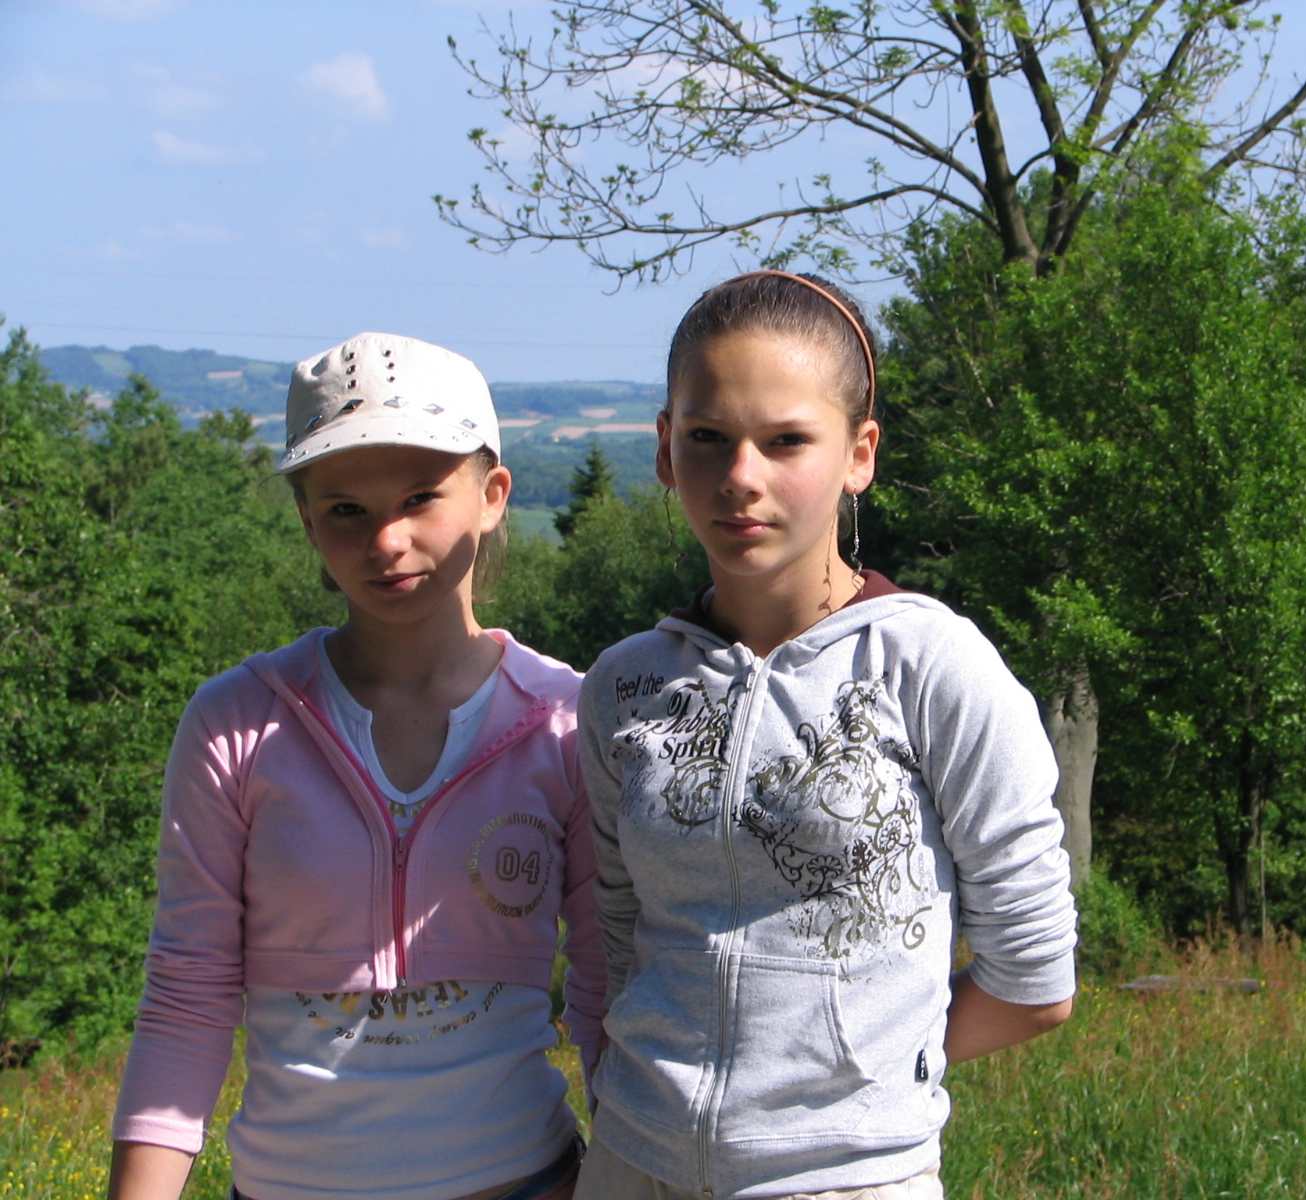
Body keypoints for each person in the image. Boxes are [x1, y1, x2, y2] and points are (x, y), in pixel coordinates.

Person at [573, 272, 1078, 1200]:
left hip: (847, 1179)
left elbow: (1035, 979)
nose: (741, 477)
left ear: (860, 454)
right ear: (665, 448)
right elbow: (615, 936)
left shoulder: (931, 667)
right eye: (707, 438)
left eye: (786, 440)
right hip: (631, 1163)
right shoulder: (623, 686)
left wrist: (869, 1081)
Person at [109, 333, 601, 1200]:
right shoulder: (236, 725)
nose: (387, 540)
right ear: (307, 521)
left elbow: (607, 985)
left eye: (420, 498)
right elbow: (188, 996)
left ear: (493, 496)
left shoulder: (566, 723)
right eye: (345, 510)